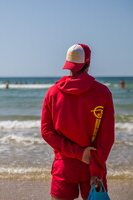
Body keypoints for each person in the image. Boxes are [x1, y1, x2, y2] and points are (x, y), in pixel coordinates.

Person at [41, 44, 115, 200]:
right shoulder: (103, 92)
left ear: (68, 64)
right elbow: (107, 138)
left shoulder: (52, 93)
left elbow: (47, 133)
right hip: (93, 164)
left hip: (64, 166)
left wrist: (78, 153)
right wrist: (96, 168)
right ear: (88, 64)